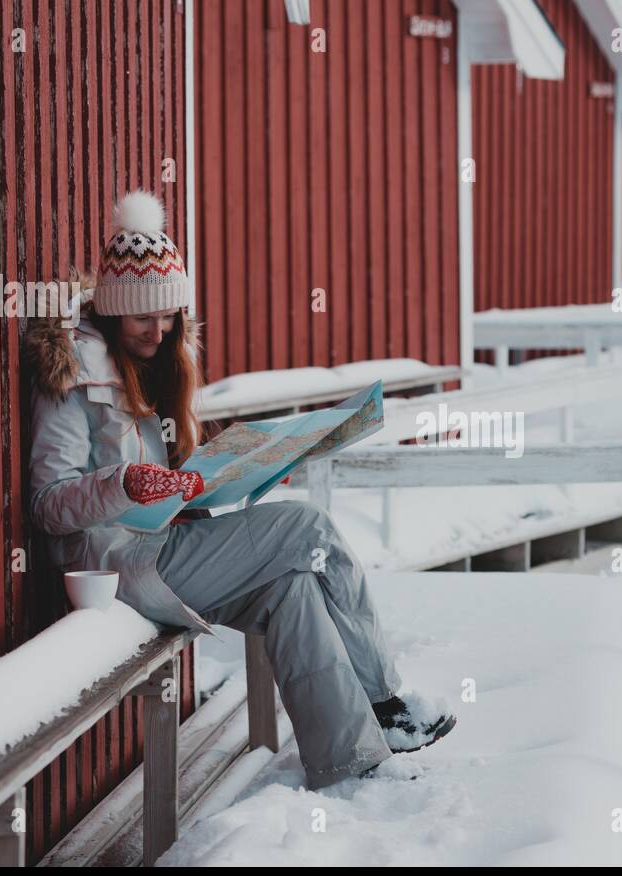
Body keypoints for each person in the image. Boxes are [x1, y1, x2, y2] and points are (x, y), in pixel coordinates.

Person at [24, 190, 455, 789]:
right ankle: (385, 700)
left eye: (169, 314)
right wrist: (123, 483)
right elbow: (49, 506)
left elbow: (166, 485)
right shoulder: (73, 376)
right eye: (144, 316)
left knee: (293, 588)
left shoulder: (152, 366)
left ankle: (350, 765)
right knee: (311, 529)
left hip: (168, 545)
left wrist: (220, 469)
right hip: (115, 566)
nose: (160, 328)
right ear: (114, 310)